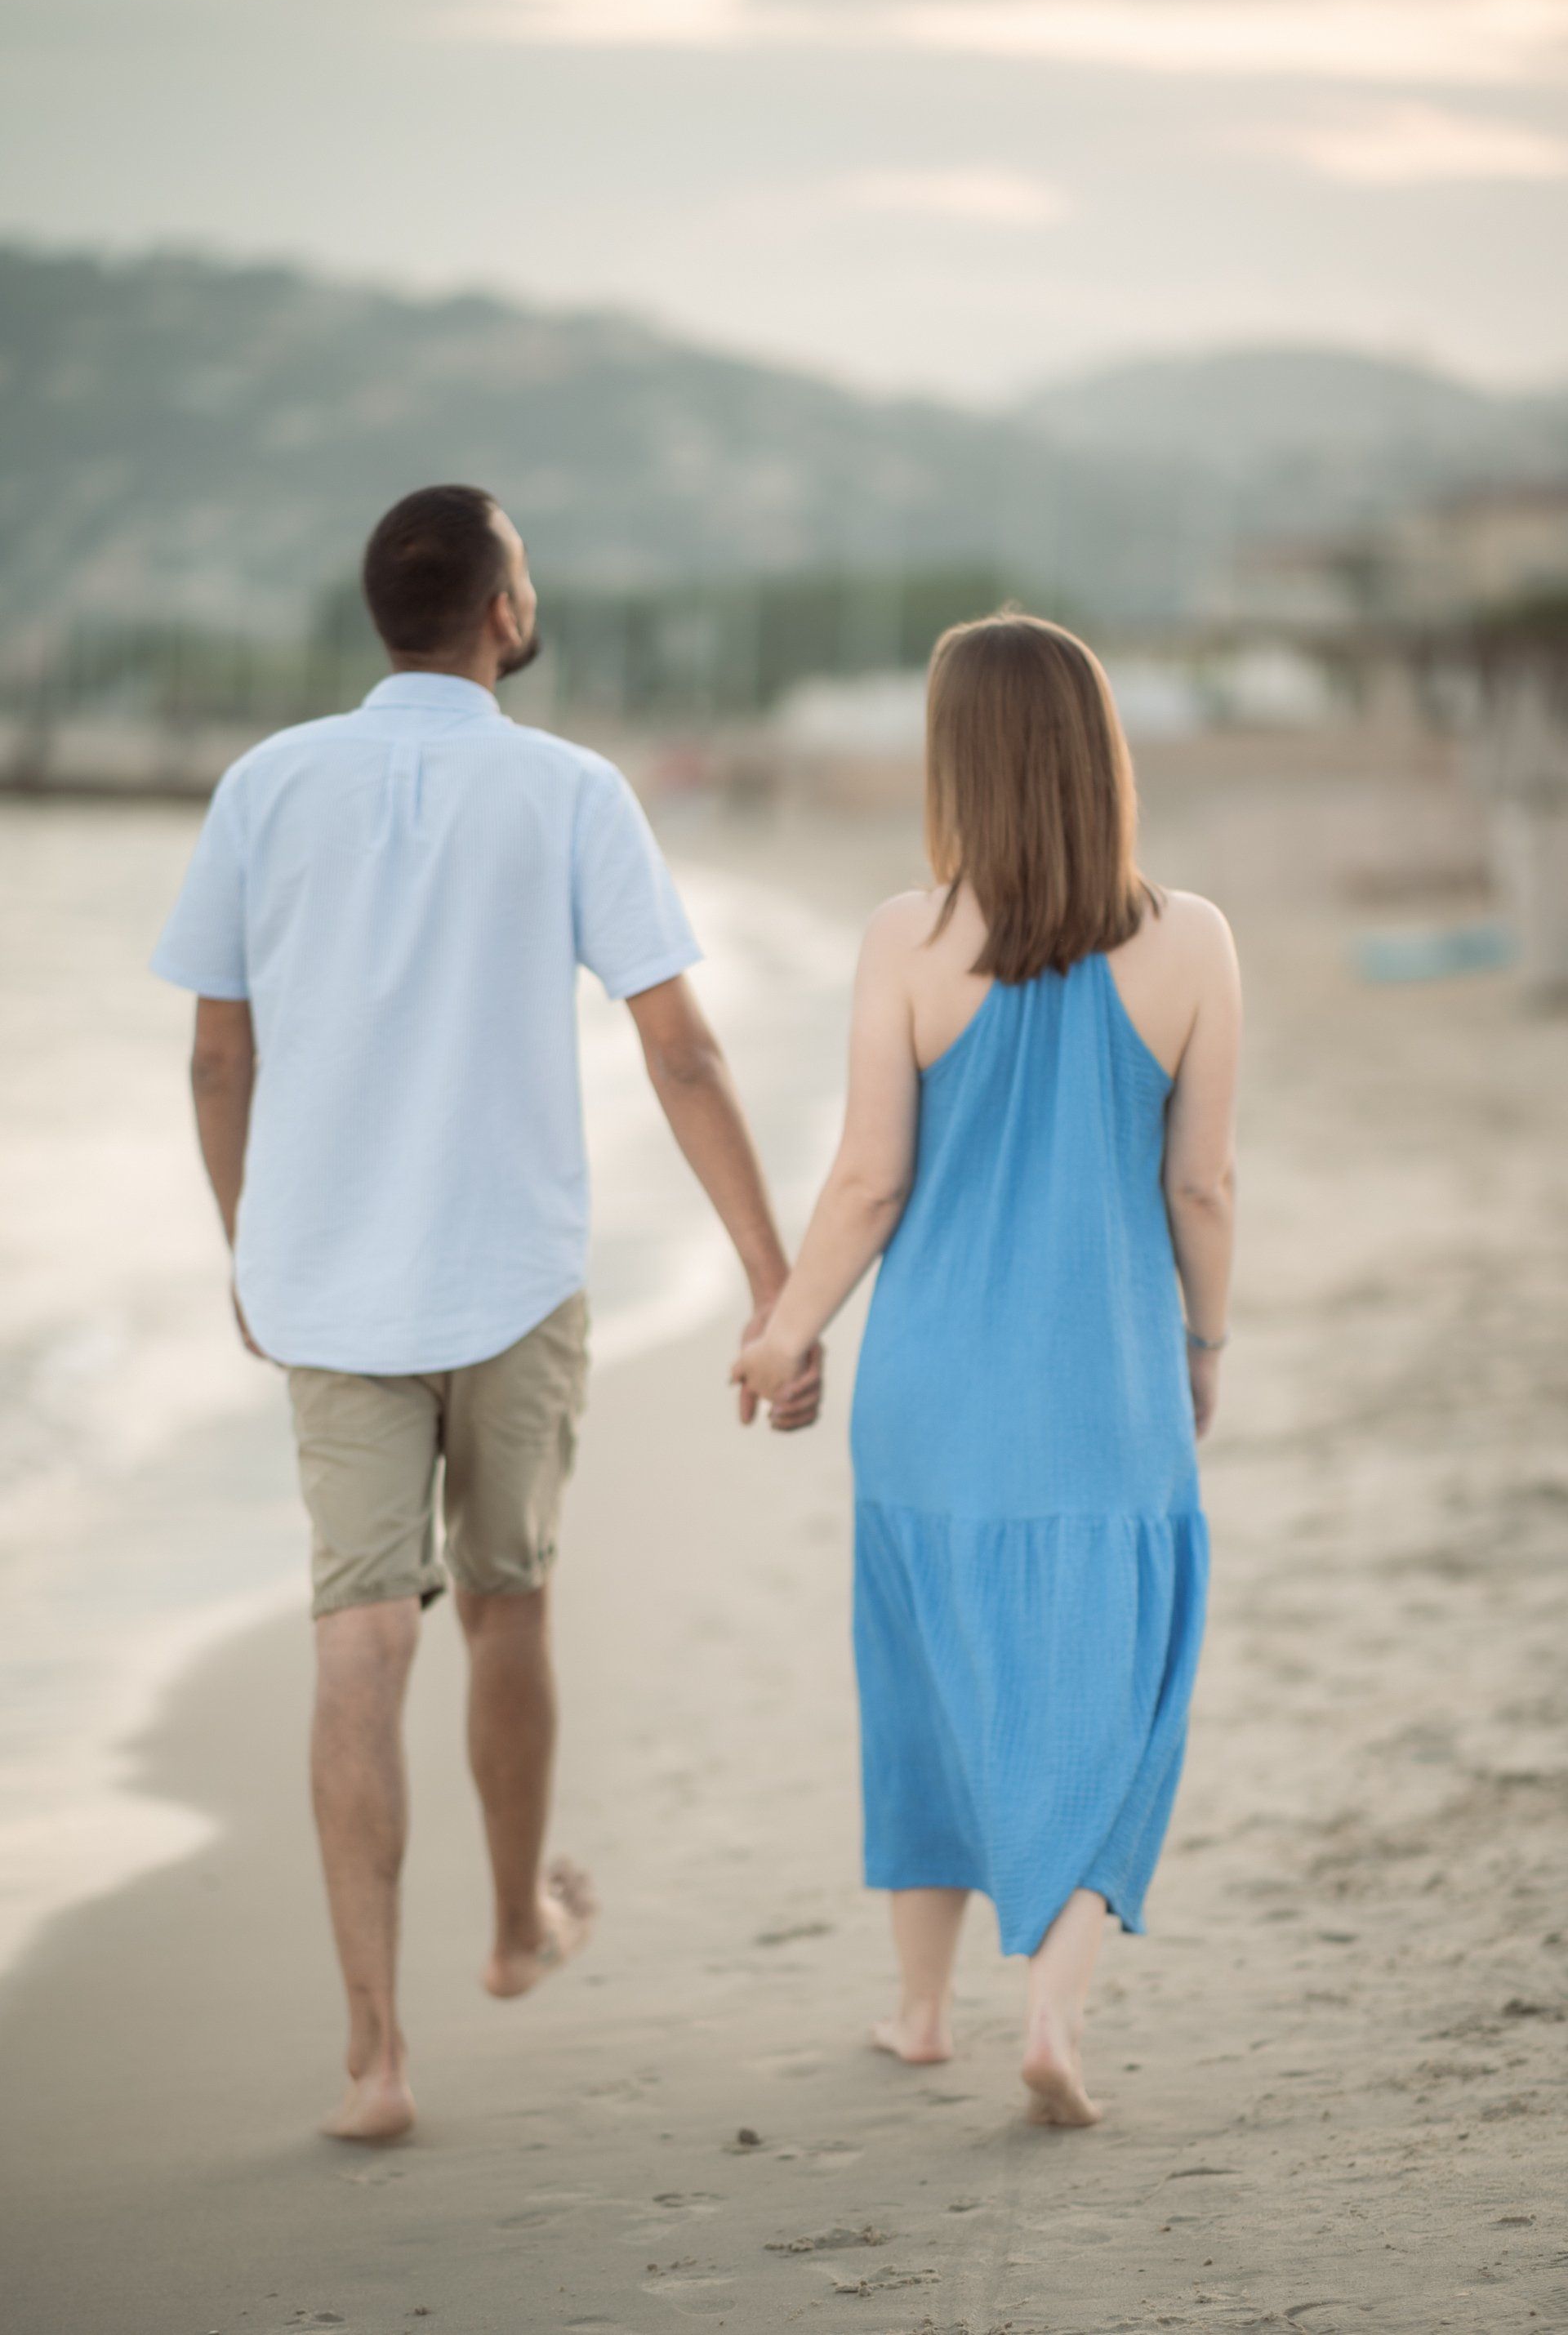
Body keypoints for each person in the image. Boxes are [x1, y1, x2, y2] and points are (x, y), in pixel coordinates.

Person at [152, 484, 819, 2144]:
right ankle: (517, 1929)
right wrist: (773, 1276)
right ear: (504, 611)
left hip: (326, 1283)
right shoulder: (570, 789)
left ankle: (374, 2060)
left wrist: (250, 1250)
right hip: (511, 1275)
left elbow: (218, 1057)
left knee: (359, 1636)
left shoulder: (263, 784)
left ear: (384, 611)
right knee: (506, 1604)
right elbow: (682, 1048)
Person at [733, 610, 1239, 2126]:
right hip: (1107, 1387)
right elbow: (1202, 1187)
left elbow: (868, 1182)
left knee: (928, 1678)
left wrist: (787, 1328)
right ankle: (1055, 2013)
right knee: (1114, 1694)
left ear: (957, 760)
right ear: (1100, 754)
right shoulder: (1194, 942)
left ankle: (920, 2010)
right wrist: (1204, 1343)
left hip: (933, 1391)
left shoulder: (906, 936)